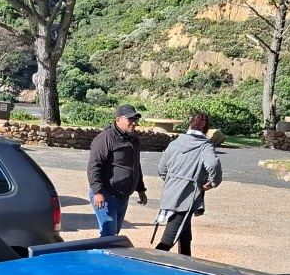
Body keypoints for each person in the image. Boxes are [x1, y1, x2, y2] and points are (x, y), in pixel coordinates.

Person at [154, 112, 223, 256]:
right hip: (188, 195)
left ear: (190, 125)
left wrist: (173, 181)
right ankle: (147, 265)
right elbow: (213, 164)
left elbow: (162, 169)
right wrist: (212, 183)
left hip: (170, 192)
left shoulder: (175, 142)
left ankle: (186, 259)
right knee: (170, 237)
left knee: (184, 232)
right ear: (206, 129)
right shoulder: (205, 146)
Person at [87, 104, 148, 236]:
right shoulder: (106, 138)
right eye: (130, 119)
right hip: (106, 194)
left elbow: (135, 165)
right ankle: (99, 256)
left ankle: (105, 255)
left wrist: (141, 189)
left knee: (114, 234)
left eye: (135, 119)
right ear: (118, 119)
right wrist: (98, 192)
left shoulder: (133, 139)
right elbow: (94, 166)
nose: (134, 122)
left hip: (122, 196)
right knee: (109, 234)